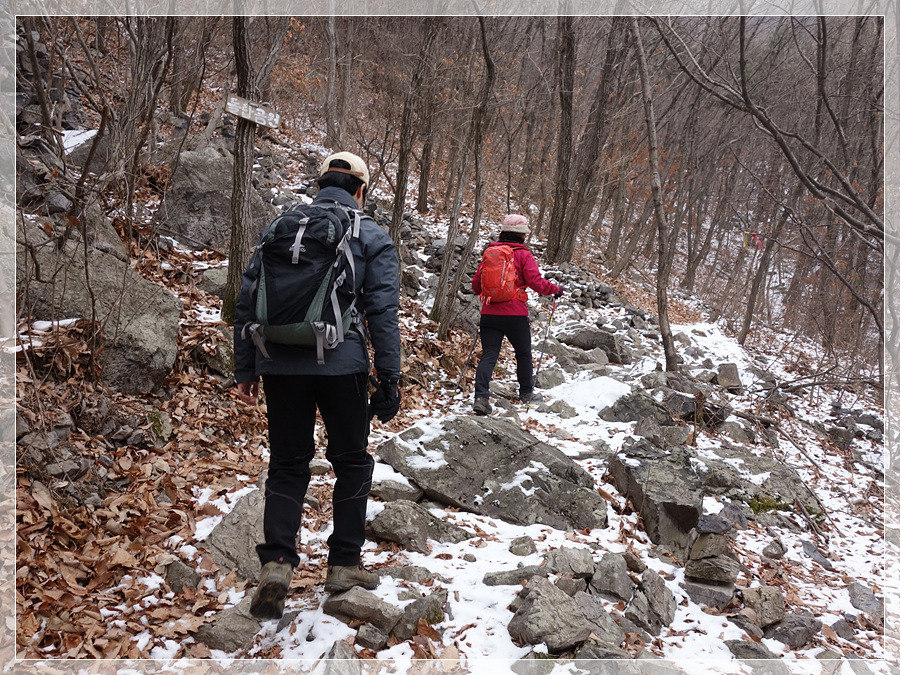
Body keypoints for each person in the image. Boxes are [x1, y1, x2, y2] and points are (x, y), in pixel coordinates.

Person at [233, 151, 402, 620]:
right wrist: (390, 376)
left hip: (279, 364)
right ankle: (344, 563)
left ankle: (277, 564)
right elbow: (382, 311)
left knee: (288, 464)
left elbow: (247, 300)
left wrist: (245, 371)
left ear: (320, 184)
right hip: (342, 365)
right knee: (351, 461)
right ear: (361, 190)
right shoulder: (370, 234)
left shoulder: (280, 227)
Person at [470, 214, 563, 415]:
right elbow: (536, 282)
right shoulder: (523, 255)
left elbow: (476, 285)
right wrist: (555, 289)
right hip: (515, 314)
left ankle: (481, 397)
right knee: (523, 354)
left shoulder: (490, 253)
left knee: (489, 354)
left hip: (490, 313)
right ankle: (526, 393)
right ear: (522, 235)